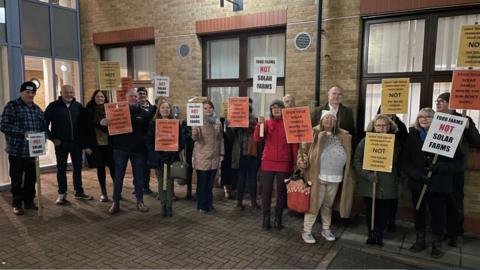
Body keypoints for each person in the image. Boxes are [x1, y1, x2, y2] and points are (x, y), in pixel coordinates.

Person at [401, 107, 464, 258]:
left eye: (428, 117)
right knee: (419, 212)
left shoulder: (447, 136)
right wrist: (418, 175)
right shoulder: (413, 136)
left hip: (439, 185)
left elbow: (459, 164)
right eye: (421, 117)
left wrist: (440, 167)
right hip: (419, 183)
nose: (423, 119)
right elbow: (405, 161)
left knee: (438, 215)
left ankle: (437, 244)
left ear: (435, 119)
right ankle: (420, 240)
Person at [298, 110, 353, 243]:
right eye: (326, 118)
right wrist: (302, 161)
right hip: (318, 176)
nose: (329, 120)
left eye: (332, 118)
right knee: (314, 204)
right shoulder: (313, 132)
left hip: (336, 177)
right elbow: (303, 151)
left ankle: (326, 229)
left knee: (328, 205)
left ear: (335, 122)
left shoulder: (343, 135)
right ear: (321, 120)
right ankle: (307, 231)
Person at [435, 92, 480, 247]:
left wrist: (468, 127)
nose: (438, 103)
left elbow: (477, 140)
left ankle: (456, 233)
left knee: (455, 202)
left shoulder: (464, 119)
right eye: (437, 101)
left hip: (455, 168)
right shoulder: (435, 118)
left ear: (450, 103)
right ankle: (443, 232)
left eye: (441, 101)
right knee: (441, 202)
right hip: (438, 167)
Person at [353, 114, 400, 247]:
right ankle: (371, 233)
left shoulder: (395, 141)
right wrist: (367, 175)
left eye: (384, 125)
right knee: (370, 209)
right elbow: (357, 160)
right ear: (373, 126)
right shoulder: (365, 141)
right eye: (378, 125)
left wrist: (386, 149)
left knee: (383, 210)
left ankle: (379, 234)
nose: (381, 128)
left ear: (389, 126)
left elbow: (397, 160)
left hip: (387, 182)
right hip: (369, 181)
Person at [0, 81, 47, 215]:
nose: (30, 95)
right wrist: (23, 133)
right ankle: (17, 203)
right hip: (17, 151)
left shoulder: (37, 109)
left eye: (32, 92)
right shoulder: (12, 106)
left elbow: (43, 127)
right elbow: (4, 125)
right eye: (27, 92)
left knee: (32, 178)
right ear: (21, 92)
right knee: (17, 179)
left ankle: (29, 202)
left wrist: (44, 136)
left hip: (33, 152)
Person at [254, 100, 298, 230]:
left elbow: (294, 145)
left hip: (284, 163)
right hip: (268, 162)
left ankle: (278, 219)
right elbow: (257, 138)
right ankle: (265, 218)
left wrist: (295, 162)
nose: (276, 109)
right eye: (273, 107)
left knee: (281, 192)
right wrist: (259, 125)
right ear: (271, 110)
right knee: (266, 191)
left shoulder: (289, 124)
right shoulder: (266, 123)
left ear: (283, 109)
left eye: (278, 107)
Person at [45, 84, 92, 204]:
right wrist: (52, 138)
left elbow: (85, 126)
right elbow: (43, 124)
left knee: (78, 168)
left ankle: (79, 192)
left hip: (77, 143)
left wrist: (85, 143)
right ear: (61, 93)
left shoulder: (78, 106)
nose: (69, 95)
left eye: (71, 92)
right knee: (61, 168)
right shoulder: (53, 106)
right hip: (61, 143)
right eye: (66, 92)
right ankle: (62, 194)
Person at [108, 89, 150, 214]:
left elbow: (148, 132)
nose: (133, 98)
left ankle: (140, 201)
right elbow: (109, 130)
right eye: (131, 96)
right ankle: (115, 202)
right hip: (120, 150)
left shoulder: (144, 114)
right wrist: (105, 124)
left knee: (139, 178)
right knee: (118, 177)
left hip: (138, 151)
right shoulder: (116, 112)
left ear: (138, 98)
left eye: (135, 96)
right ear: (126, 98)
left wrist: (142, 141)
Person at [146, 99, 185, 217]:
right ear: (159, 110)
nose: (165, 110)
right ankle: (163, 205)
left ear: (170, 110)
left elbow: (181, 141)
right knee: (161, 183)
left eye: (167, 108)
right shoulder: (154, 123)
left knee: (169, 183)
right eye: (163, 107)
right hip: (159, 158)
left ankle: (169, 206)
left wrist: (174, 149)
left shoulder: (175, 123)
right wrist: (157, 153)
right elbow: (149, 141)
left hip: (171, 157)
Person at [376, 106, 408, 233]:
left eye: (390, 109)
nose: (388, 112)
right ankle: (378, 223)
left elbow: (404, 145)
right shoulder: (374, 126)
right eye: (385, 109)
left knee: (391, 198)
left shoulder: (399, 126)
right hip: (376, 168)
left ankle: (391, 221)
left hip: (393, 170)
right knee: (377, 198)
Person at [191, 100, 224, 213]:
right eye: (205, 108)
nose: (208, 110)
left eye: (210, 108)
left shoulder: (217, 122)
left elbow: (221, 139)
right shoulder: (197, 121)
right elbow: (195, 139)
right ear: (202, 110)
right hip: (202, 157)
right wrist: (194, 132)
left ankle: (209, 204)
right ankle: (201, 206)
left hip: (214, 158)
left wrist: (221, 153)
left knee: (210, 184)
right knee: (202, 183)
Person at [229, 98, 260, 210]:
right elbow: (231, 132)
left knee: (253, 179)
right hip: (241, 154)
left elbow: (260, 133)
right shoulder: (237, 117)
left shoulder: (256, 119)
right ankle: (239, 202)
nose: (248, 106)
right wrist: (236, 122)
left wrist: (255, 124)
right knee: (241, 179)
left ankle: (253, 202)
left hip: (253, 154)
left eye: (250, 104)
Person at [84, 90, 115, 202]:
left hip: (109, 144)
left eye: (102, 96)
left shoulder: (110, 110)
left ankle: (117, 191)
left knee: (113, 168)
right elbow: (84, 130)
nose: (100, 98)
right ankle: (103, 192)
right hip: (96, 144)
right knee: (100, 168)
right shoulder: (88, 110)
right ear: (94, 97)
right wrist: (86, 146)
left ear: (105, 98)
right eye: (97, 96)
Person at [137, 87, 156, 195]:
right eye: (140, 94)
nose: (142, 95)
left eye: (144, 93)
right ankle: (137, 187)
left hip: (149, 141)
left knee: (147, 165)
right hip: (138, 141)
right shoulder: (134, 108)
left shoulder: (153, 109)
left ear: (147, 95)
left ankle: (146, 186)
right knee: (138, 165)